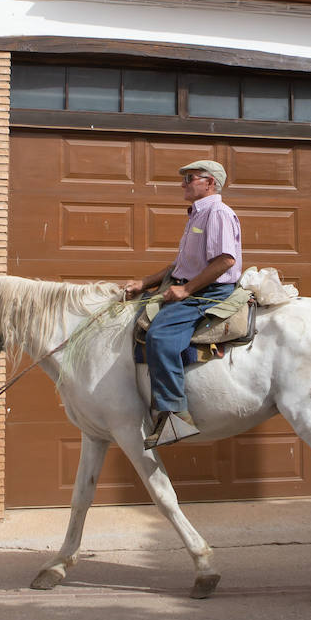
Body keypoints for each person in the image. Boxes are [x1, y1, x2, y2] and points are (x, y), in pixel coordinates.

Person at [123, 159, 243, 450]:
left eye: (190, 178)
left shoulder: (218, 213)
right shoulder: (197, 216)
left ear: (210, 182)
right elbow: (180, 266)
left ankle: (176, 416)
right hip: (195, 285)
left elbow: (226, 260)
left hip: (211, 292)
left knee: (161, 336)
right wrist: (145, 283)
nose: (183, 184)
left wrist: (187, 289)